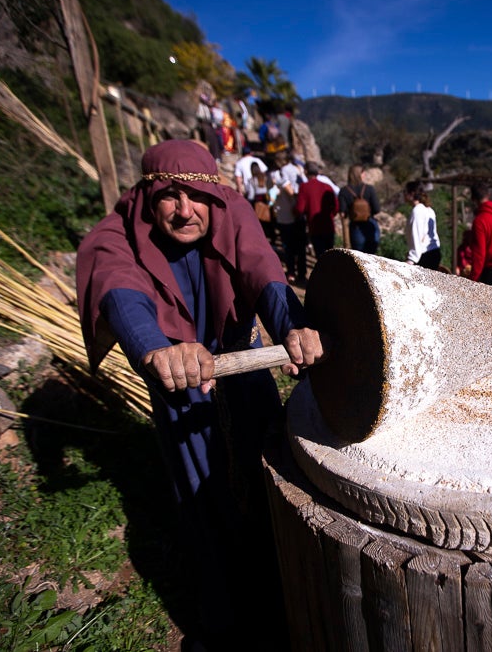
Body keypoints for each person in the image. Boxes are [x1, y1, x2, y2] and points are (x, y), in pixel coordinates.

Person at [75, 139, 325, 648]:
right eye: (170, 198)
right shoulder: (121, 229)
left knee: (268, 483)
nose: (185, 211)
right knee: (204, 500)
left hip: (244, 371)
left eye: (195, 198)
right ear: (149, 198)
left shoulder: (232, 211)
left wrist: (293, 328)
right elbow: (118, 285)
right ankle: (226, 623)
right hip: (180, 383)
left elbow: (262, 269)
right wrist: (156, 349)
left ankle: (285, 600)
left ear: (214, 196)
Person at [270, 150, 307, 284]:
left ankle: (291, 272)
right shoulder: (299, 169)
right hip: (299, 212)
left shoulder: (278, 174)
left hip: (285, 214)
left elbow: (282, 191)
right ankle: (302, 273)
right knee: (300, 246)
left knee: (288, 246)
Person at [294, 161, 338, 259]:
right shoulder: (327, 187)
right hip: (328, 225)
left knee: (320, 257)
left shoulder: (304, 187)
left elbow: (300, 209)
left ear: (305, 172)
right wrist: (330, 216)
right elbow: (335, 207)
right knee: (330, 255)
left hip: (315, 226)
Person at [338, 165, 381, 254]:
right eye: (363, 172)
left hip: (355, 227)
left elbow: (343, 213)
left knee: (359, 258)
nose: (364, 174)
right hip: (370, 224)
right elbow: (377, 209)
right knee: (372, 257)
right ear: (359, 175)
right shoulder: (369, 189)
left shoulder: (344, 191)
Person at [404, 180, 442, 269]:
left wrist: (411, 259)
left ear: (412, 194)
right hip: (434, 252)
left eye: (405, 192)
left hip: (424, 256)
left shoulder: (417, 211)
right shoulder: (429, 209)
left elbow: (417, 236)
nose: (404, 195)